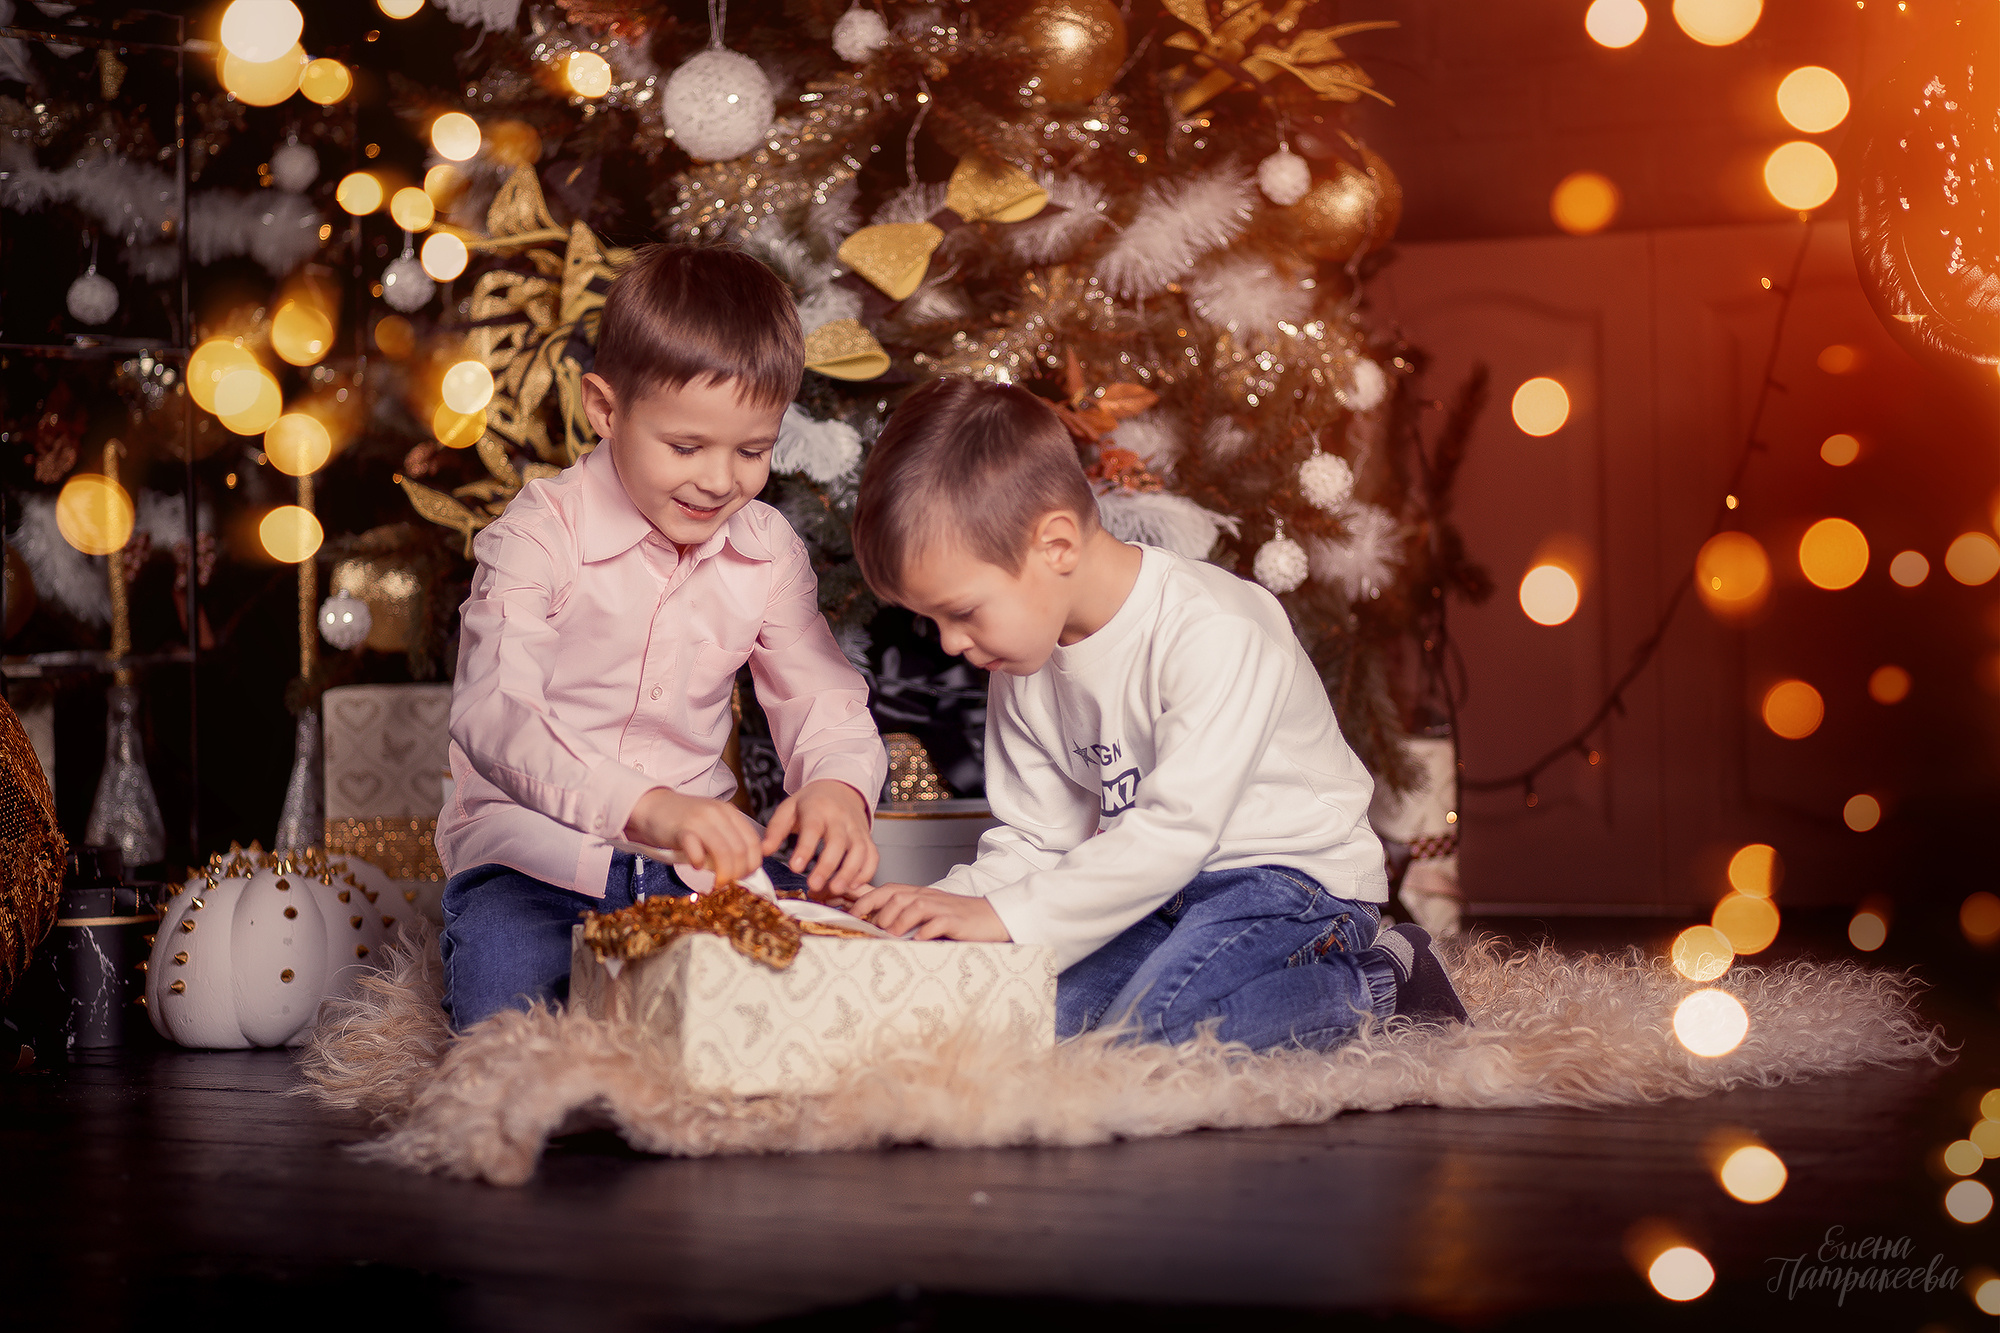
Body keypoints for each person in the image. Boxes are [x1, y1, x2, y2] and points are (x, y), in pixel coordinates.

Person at [835, 376, 1467, 1051]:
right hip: (1152, 891)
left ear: (1055, 546)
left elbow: (1174, 835)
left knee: (1158, 1035)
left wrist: (1001, 913)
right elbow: (1036, 840)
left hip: (1289, 882)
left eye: (960, 612)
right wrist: (937, 907)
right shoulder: (1019, 662)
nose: (952, 644)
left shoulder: (1214, 628)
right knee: (1031, 1020)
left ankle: (1379, 983)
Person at [436, 244, 887, 1029]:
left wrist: (840, 789)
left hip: (701, 864)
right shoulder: (538, 536)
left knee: (817, 996)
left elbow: (821, 695)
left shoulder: (767, 546)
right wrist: (644, 807)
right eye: (686, 447)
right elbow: (494, 713)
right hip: (532, 862)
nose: (720, 480)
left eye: (753, 450)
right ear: (606, 410)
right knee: (502, 1025)